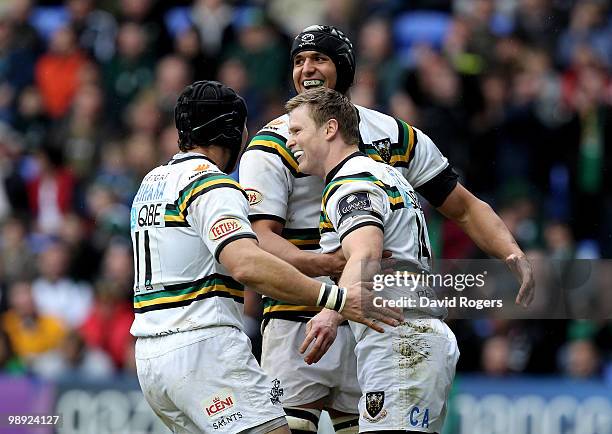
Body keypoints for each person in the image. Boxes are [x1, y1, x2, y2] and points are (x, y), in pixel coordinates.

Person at [239, 25, 535, 433]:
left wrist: (509, 250)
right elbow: (260, 239)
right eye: (298, 60)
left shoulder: (393, 137)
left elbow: (463, 206)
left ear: (343, 68)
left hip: (375, 318)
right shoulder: (273, 144)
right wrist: (326, 269)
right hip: (299, 317)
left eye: (318, 59)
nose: (306, 68)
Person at [130, 80, 401, 434]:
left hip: (150, 356)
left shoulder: (152, 182)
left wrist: (320, 263)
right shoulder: (211, 184)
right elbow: (246, 263)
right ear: (231, 131)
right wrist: (334, 298)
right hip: (203, 346)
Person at [286, 85, 459, 433]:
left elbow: (367, 251)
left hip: (401, 339)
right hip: (415, 335)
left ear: (330, 128)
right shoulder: (384, 173)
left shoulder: (351, 181)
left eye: (296, 130)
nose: (289, 141)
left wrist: (330, 314)